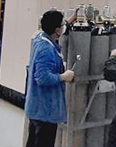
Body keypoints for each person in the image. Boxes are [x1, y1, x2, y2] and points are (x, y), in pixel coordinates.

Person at [25, 10, 74, 147]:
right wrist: (63, 77)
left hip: (37, 109)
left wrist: (71, 20)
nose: (64, 27)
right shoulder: (46, 49)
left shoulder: (41, 37)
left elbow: (61, 28)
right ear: (57, 30)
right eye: (62, 25)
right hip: (45, 110)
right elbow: (42, 77)